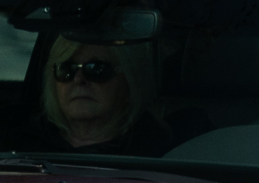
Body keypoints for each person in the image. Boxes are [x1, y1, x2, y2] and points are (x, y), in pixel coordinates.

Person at [31, 31, 167, 154]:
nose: (79, 79)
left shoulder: (155, 152)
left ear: (130, 81)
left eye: (97, 69)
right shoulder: (25, 140)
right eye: (67, 69)